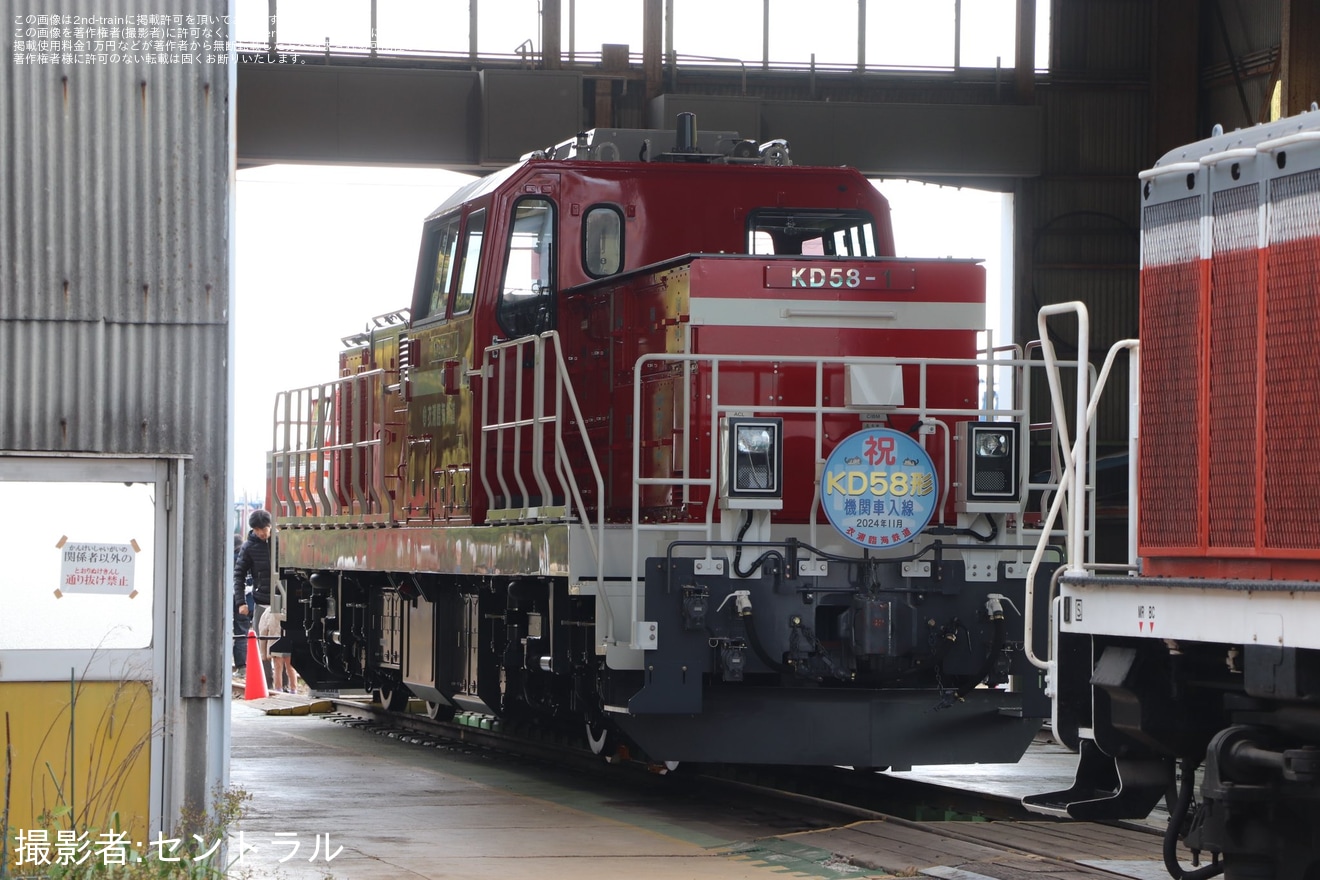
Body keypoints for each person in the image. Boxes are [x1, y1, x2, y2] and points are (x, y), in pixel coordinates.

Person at [234, 508, 274, 687]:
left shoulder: (280, 541)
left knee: (284, 645)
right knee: (261, 644)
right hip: (261, 601)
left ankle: (287, 685)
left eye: (264, 530)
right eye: (258, 531)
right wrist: (241, 602)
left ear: (270, 526)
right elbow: (239, 574)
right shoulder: (249, 546)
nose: (261, 534)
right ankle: (267, 682)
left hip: (282, 600)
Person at [231, 534, 251, 675]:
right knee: (243, 630)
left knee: (229, 631)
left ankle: (238, 665)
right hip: (248, 598)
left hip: (231, 597)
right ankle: (244, 666)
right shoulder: (247, 555)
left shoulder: (230, 558)